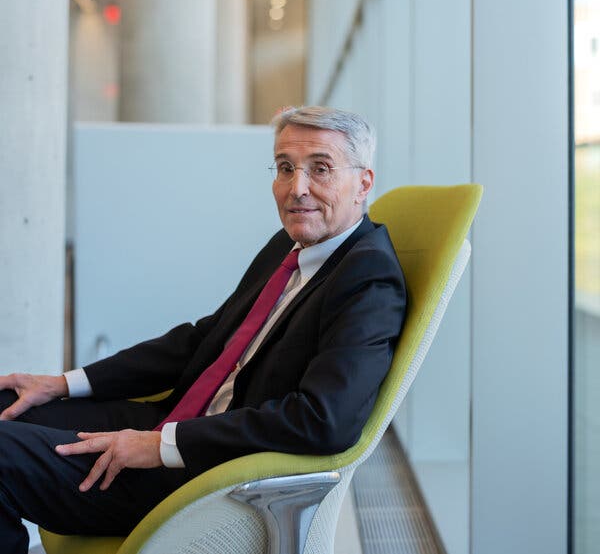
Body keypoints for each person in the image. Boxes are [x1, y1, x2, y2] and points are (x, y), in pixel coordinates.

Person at [0, 106, 407, 553]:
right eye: (286, 168)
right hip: (173, 423)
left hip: (202, 474)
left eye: (320, 169)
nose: (298, 189)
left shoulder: (368, 279)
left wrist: (161, 447)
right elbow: (203, 340)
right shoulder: (292, 244)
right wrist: (62, 384)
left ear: (364, 183)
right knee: (9, 404)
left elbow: (323, 420)